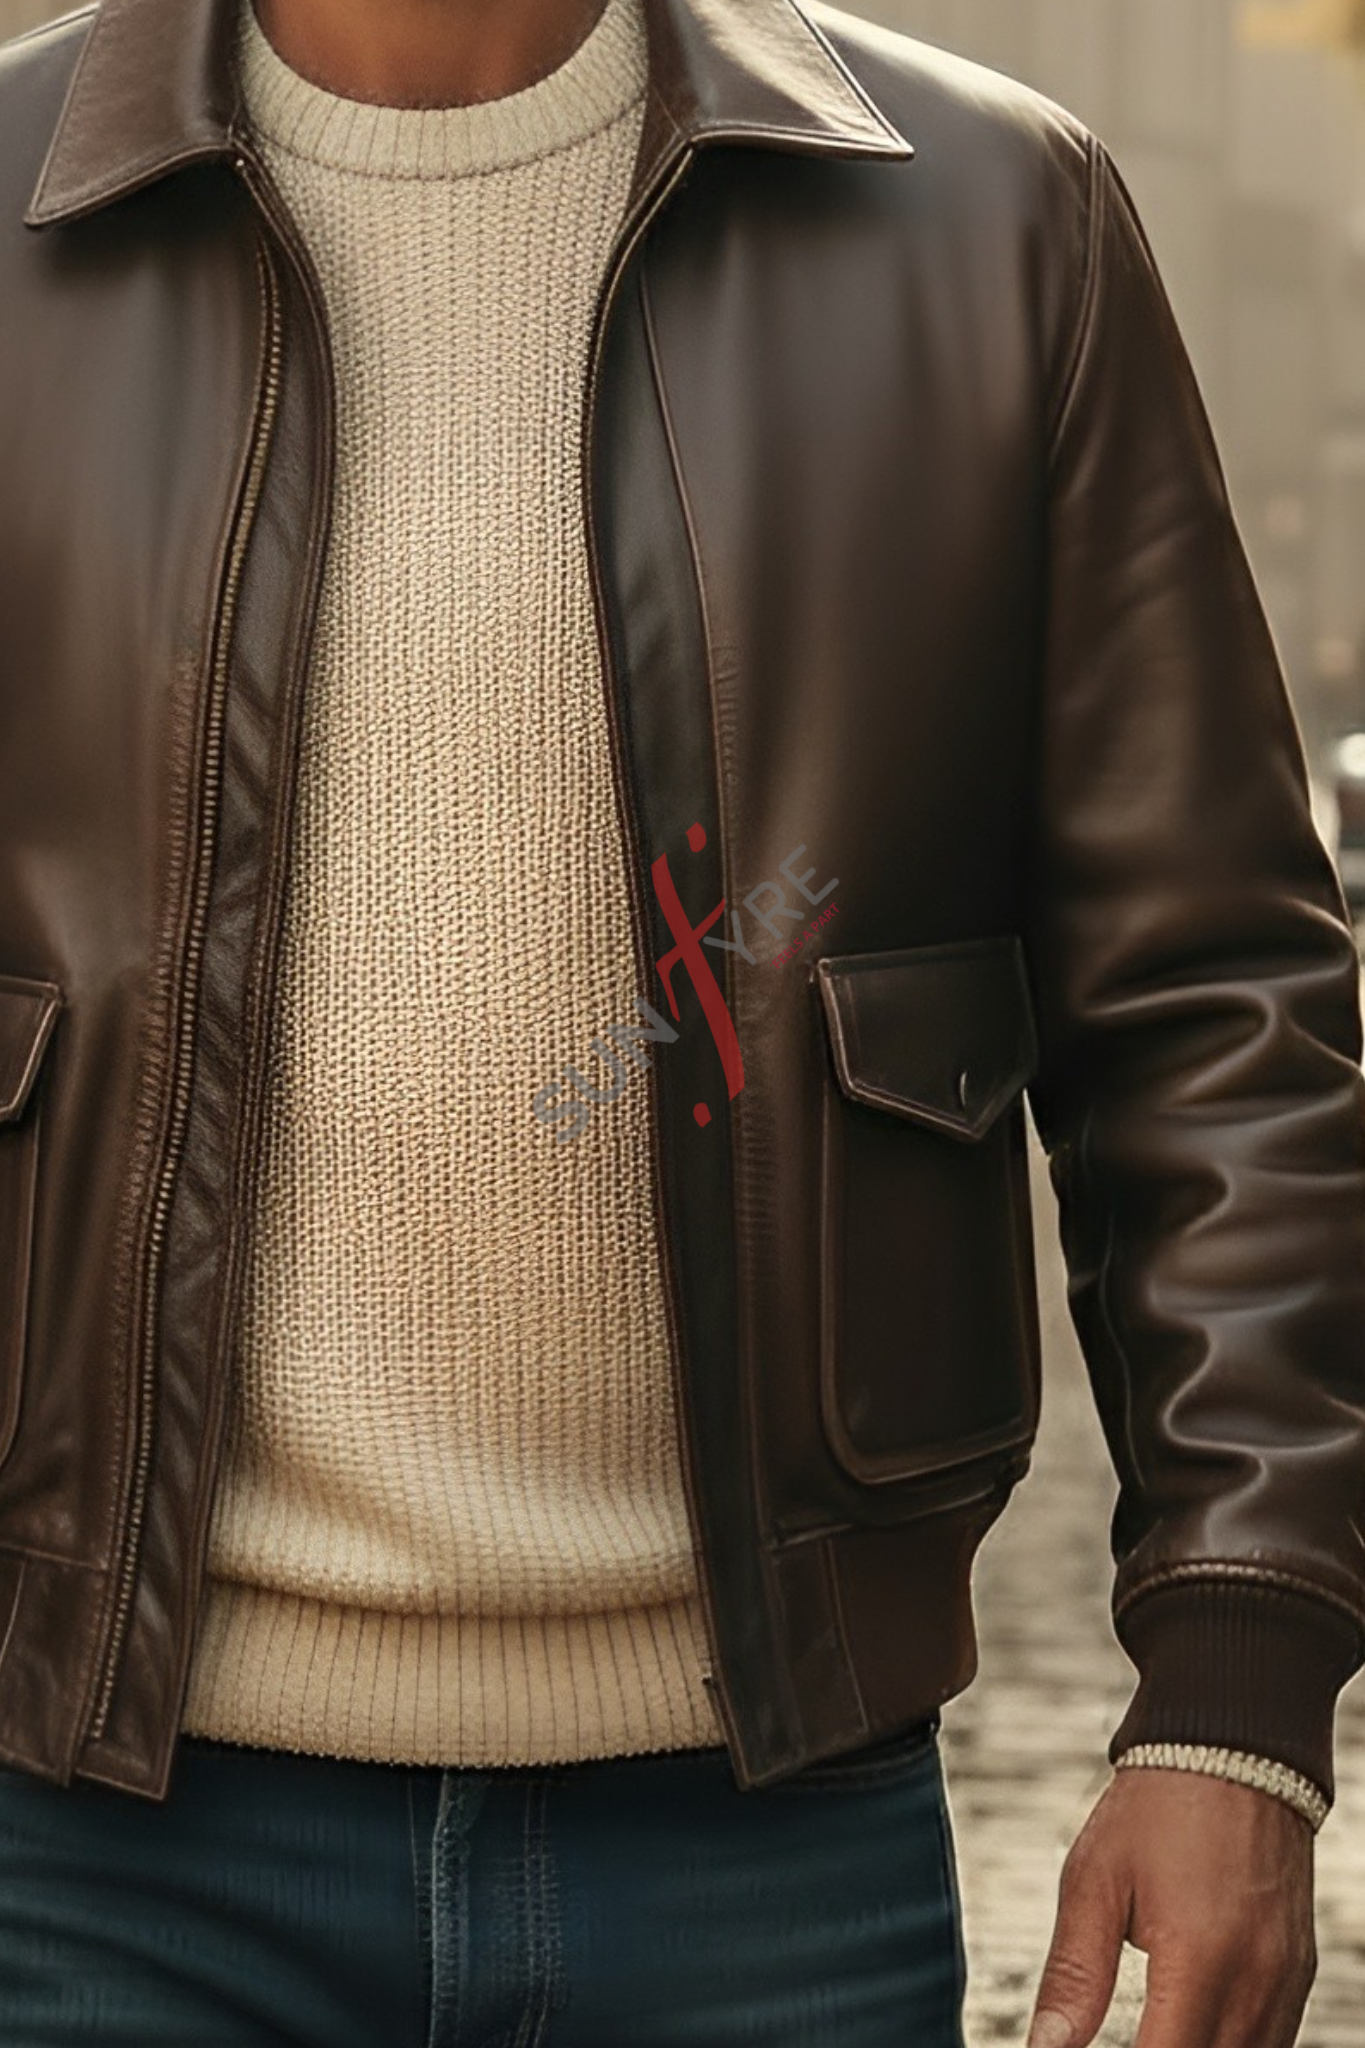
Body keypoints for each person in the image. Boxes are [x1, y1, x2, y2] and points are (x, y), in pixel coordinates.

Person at [0, 0, 1361, 2041]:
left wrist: (1238, 1694)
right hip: (89, 1855)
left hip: (764, 1858)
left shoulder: (991, 225)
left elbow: (1211, 1009)